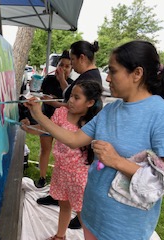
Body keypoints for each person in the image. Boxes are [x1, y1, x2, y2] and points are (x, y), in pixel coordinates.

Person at [24, 40, 164, 240]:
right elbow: (74, 139)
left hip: (123, 230)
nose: (107, 78)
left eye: (113, 71)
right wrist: (39, 116)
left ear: (137, 74)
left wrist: (117, 161)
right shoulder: (111, 110)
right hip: (92, 218)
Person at [21, 80, 103, 240]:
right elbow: (45, 130)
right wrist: (28, 127)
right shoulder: (60, 113)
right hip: (60, 170)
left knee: (82, 214)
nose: (70, 101)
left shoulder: (90, 125)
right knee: (64, 204)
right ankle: (60, 235)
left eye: (76, 98)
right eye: (71, 96)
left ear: (90, 102)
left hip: (79, 177)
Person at [40, 40, 104, 229]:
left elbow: (74, 135)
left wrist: (50, 107)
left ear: (82, 58)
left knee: (81, 208)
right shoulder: (86, 77)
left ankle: (83, 225)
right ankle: (62, 231)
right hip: (63, 168)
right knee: (65, 203)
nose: (72, 66)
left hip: (77, 170)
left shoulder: (90, 80)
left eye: (73, 61)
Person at [34, 50, 74, 188]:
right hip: (46, 118)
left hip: (63, 124)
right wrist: (45, 100)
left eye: (67, 66)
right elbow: (43, 98)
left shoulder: (72, 85)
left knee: (62, 153)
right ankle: (42, 177)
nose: (63, 69)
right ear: (57, 65)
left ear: (71, 69)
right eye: (61, 65)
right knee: (45, 149)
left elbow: (70, 104)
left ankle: (59, 181)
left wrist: (56, 103)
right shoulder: (48, 79)